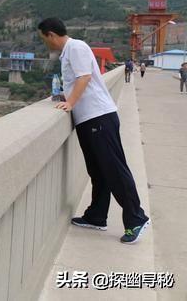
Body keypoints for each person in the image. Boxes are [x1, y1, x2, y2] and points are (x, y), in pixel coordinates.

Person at [37, 18, 150, 244]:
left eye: (43, 38)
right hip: (89, 119)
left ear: (50, 34)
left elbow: (85, 77)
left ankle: (137, 218)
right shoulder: (69, 52)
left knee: (114, 169)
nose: (44, 43)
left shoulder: (76, 47)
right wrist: (67, 97)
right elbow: (77, 81)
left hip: (98, 116)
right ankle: (97, 216)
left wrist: (70, 103)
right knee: (98, 170)